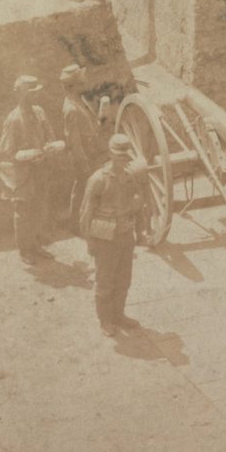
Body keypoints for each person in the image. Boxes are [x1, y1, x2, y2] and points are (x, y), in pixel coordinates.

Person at [79, 134, 149, 337]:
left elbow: (138, 205)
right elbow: (86, 214)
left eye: (125, 156)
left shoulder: (130, 177)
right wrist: (90, 242)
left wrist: (140, 231)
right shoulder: (98, 180)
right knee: (105, 282)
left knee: (124, 280)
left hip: (125, 236)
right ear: (110, 154)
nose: (123, 159)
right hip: (105, 239)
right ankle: (105, 320)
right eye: (119, 156)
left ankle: (118, 315)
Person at [0, 75, 64, 265]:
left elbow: (49, 135)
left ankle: (35, 244)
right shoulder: (13, 119)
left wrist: (50, 147)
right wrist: (27, 155)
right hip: (22, 174)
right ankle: (24, 250)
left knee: (40, 208)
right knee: (22, 212)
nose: (34, 96)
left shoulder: (39, 112)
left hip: (40, 170)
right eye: (30, 93)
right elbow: (6, 151)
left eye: (35, 93)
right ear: (19, 94)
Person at [60, 64, 110, 233]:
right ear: (72, 86)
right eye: (81, 82)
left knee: (84, 189)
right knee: (83, 189)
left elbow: (91, 126)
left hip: (92, 153)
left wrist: (102, 118)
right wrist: (84, 165)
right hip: (84, 158)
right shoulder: (71, 109)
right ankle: (76, 225)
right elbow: (74, 142)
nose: (85, 83)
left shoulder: (80, 100)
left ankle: (80, 223)